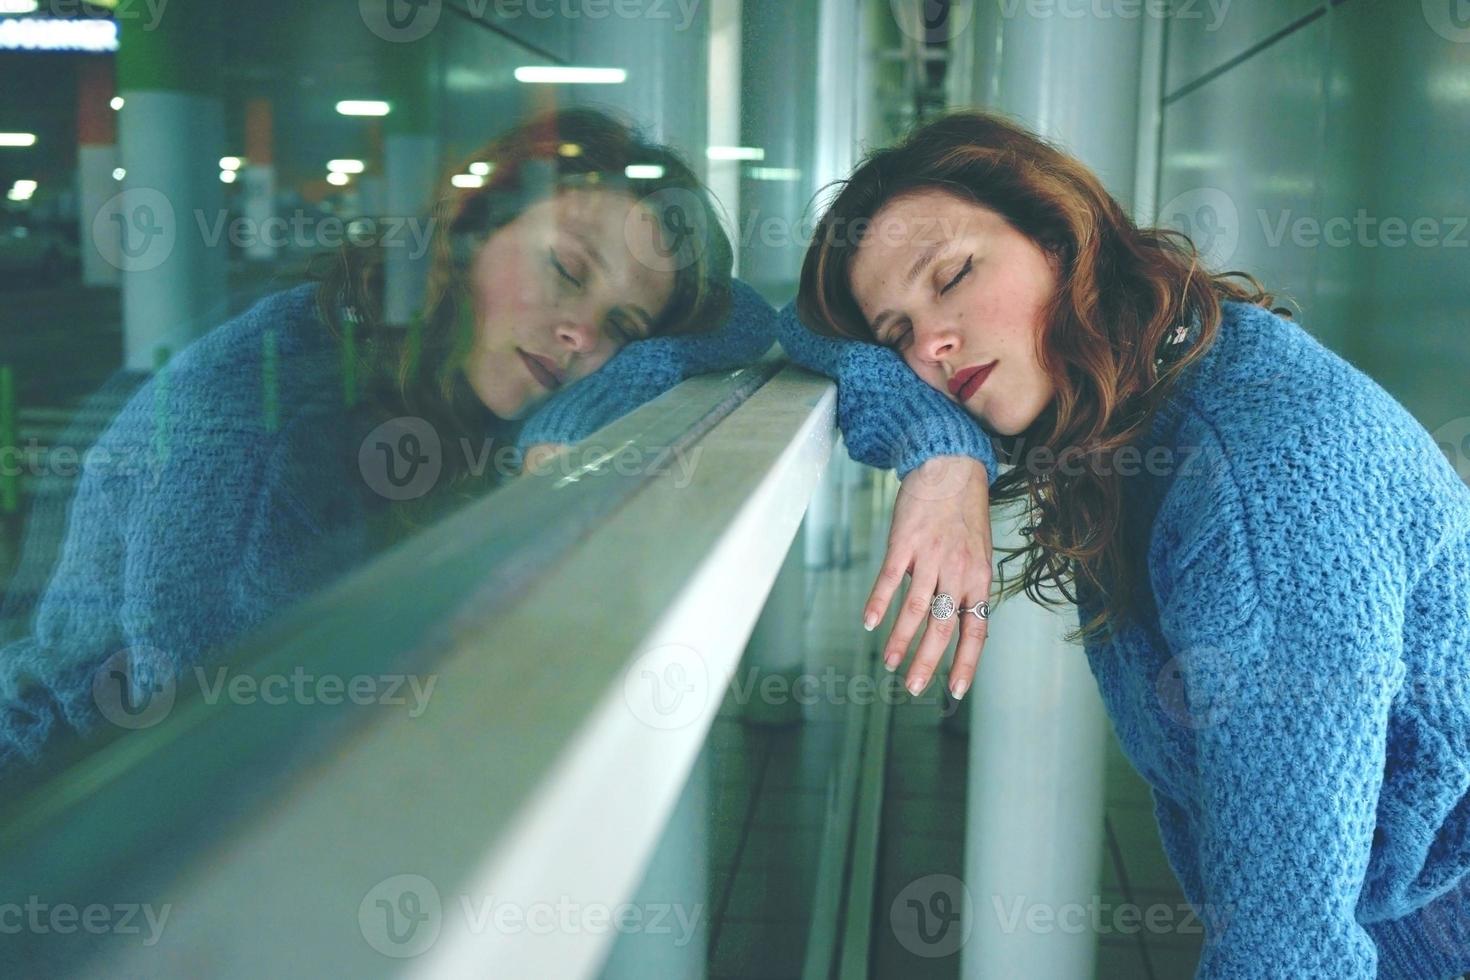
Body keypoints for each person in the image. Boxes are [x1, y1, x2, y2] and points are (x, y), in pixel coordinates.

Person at [778, 109, 1470, 977]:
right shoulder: (1163, 374)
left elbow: (1289, 950)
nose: (930, 346)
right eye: (896, 334)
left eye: (952, 276)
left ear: (1061, 238)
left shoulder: (1259, 488)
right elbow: (786, 325)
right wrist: (939, 446)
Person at [0, 106, 776, 773]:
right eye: (568, 272)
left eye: (622, 329)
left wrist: (586, 407)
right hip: (64, 824)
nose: (581, 334)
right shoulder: (270, 429)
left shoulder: (430, 357)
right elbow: (228, 758)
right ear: (471, 227)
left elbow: (741, 318)